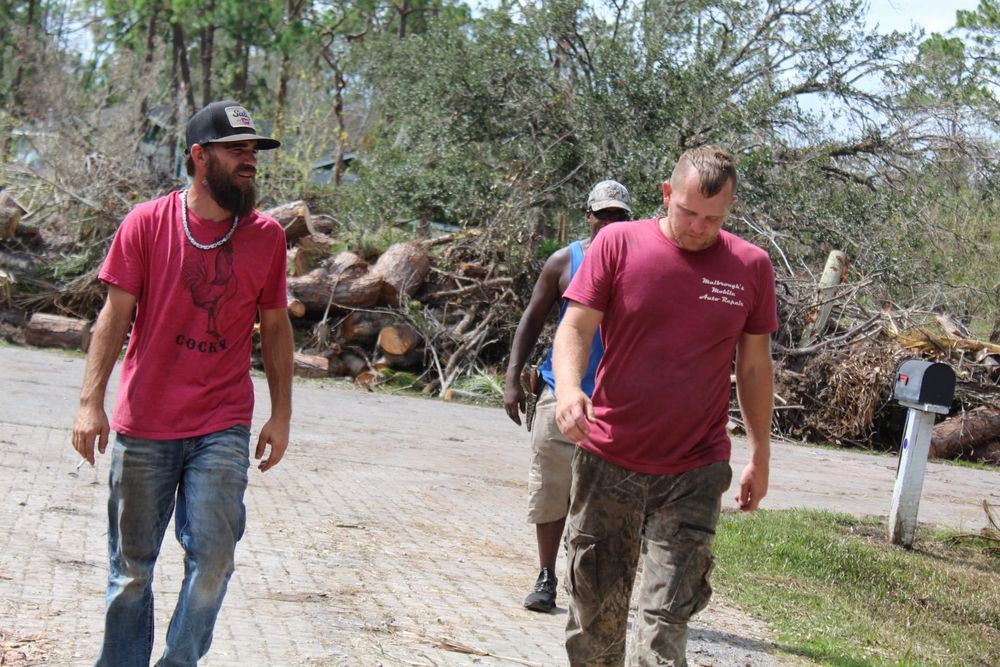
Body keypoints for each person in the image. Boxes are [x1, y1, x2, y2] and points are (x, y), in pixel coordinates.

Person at [71, 100, 294, 667]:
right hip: (145, 420)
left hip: (221, 420)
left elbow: (274, 326)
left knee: (215, 557)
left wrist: (281, 414)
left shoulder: (267, 237)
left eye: (253, 152)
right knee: (130, 570)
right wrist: (90, 402)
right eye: (237, 150)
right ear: (200, 156)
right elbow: (113, 318)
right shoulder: (146, 223)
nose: (250, 161)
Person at [552, 146, 776, 665]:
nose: (699, 227)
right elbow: (575, 328)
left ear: (732, 207)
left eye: (713, 217)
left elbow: (755, 367)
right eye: (688, 211)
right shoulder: (618, 243)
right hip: (609, 457)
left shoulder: (751, 266)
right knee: (595, 617)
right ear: (666, 194)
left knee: (667, 621)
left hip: (695, 469)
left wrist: (759, 453)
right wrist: (568, 391)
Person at [504, 180, 632, 613]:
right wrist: (511, 378)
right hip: (560, 392)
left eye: (620, 216)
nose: (611, 223)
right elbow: (533, 318)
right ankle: (545, 575)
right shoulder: (565, 260)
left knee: (601, 498)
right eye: (604, 215)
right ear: (589, 216)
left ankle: (589, 581)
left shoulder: (640, 261)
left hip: (614, 401)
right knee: (552, 488)